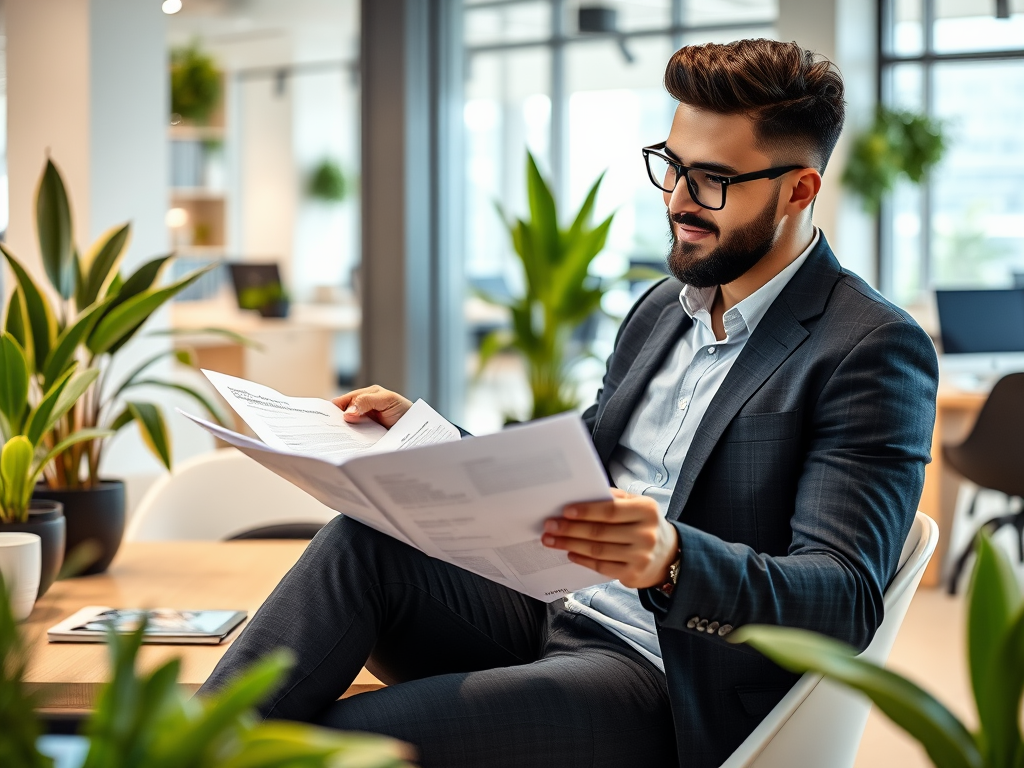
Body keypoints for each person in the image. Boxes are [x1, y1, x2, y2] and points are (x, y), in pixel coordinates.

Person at [199, 39, 938, 767]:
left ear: (800, 190)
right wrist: (428, 441)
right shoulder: (661, 309)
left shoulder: (868, 347)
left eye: (712, 180)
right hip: (553, 606)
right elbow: (575, 467)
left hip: (667, 674)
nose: (679, 201)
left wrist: (673, 560)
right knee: (359, 541)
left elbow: (843, 597)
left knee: (328, 746)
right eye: (673, 167)